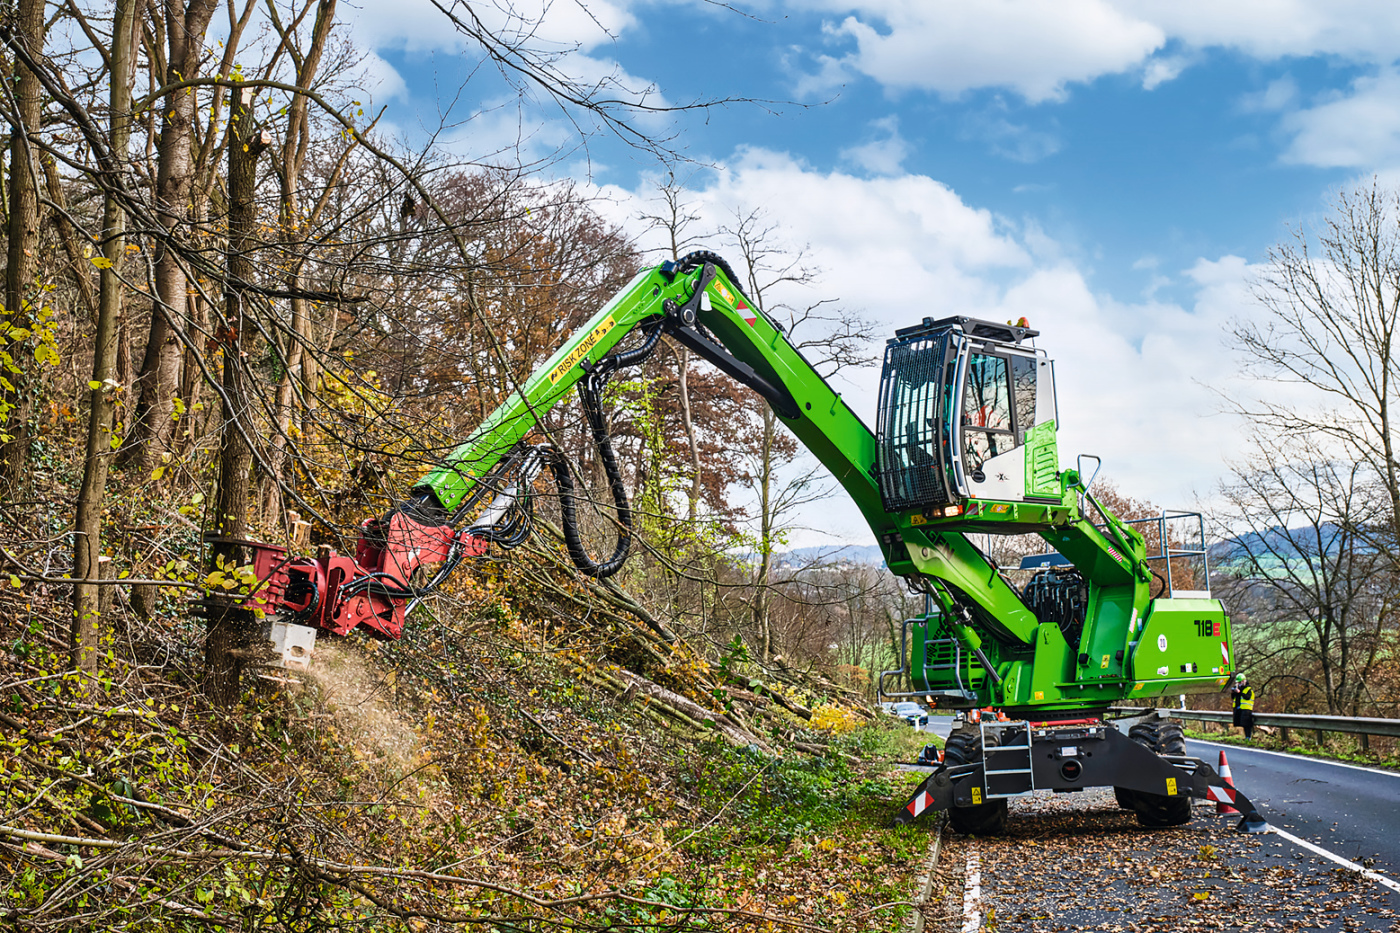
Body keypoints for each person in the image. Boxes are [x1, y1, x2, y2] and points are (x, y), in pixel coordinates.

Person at [1231, 675, 1256, 741]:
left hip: (1246, 709)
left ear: (1243, 681)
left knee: (1247, 724)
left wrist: (1240, 692)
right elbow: (1233, 697)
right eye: (1238, 683)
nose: (1238, 684)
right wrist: (1234, 692)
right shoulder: (1237, 688)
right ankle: (1246, 737)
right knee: (1243, 724)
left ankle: (1248, 737)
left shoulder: (1248, 689)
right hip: (1239, 708)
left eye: (1239, 682)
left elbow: (1247, 697)